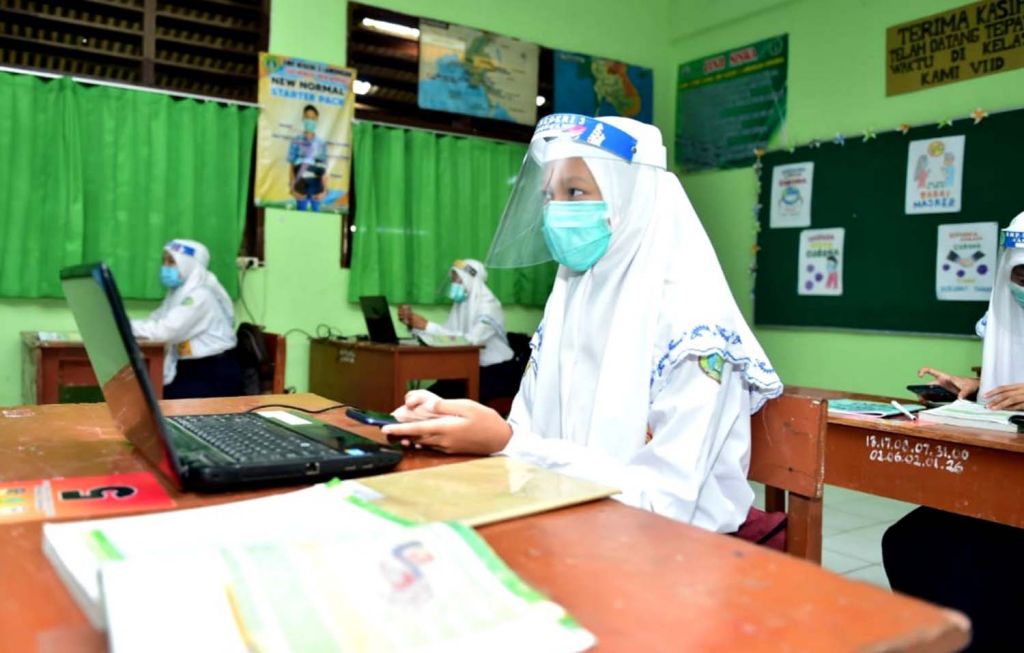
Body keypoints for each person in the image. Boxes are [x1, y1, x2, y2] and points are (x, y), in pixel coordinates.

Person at [382, 114, 783, 533]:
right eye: (549, 195)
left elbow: (665, 501)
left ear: (631, 197)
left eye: (575, 191)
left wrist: (507, 442)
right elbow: (528, 432)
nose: (556, 211)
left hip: (676, 552)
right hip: (568, 522)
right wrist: (460, 423)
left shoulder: (694, 326)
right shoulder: (571, 300)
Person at [884, 212, 1024, 652]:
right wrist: (978, 388)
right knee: (907, 543)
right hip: (1001, 482)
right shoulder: (1008, 318)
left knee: (976, 569)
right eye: (1019, 273)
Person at [131, 239, 243, 399]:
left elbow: (164, 332)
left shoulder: (199, 296)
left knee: (151, 400)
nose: (165, 267)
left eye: (171, 262)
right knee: (143, 393)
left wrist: (124, 326)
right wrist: (126, 324)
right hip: (192, 369)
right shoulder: (178, 294)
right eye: (164, 261)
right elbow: (155, 320)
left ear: (188, 264)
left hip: (212, 374)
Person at [397, 259, 519, 404]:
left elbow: (470, 341)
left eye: (457, 279)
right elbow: (448, 337)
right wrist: (416, 326)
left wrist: (427, 326)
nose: (453, 284)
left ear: (470, 280)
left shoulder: (489, 306)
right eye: (452, 279)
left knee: (439, 405)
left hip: (495, 373)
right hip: (469, 370)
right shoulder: (461, 305)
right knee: (421, 400)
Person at [288, 104, 328, 212]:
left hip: (316, 190)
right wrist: (292, 189)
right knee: (301, 220)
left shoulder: (321, 144)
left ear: (317, 119)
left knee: (315, 221)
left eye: (313, 118)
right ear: (303, 118)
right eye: (307, 117)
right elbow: (291, 166)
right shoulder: (296, 141)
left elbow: (324, 170)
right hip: (300, 188)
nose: (310, 120)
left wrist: (324, 191)